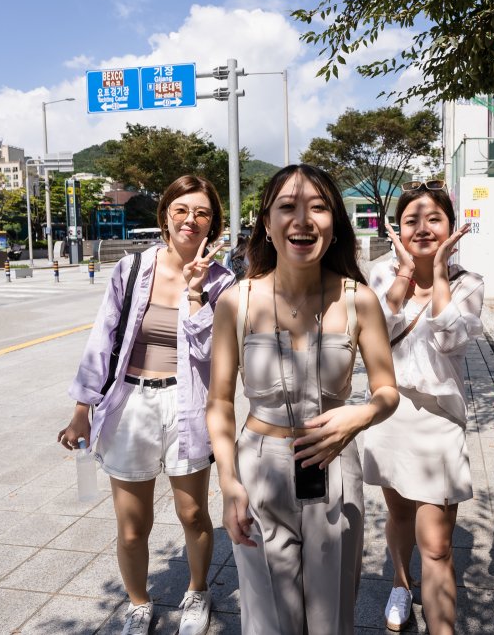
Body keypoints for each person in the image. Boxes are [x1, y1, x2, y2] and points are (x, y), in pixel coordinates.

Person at [206, 163, 399, 634]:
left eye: (318, 207)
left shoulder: (360, 299)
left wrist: (362, 415)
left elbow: (387, 391)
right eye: (287, 208)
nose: (303, 220)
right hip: (258, 467)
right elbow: (219, 403)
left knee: (332, 615)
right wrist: (229, 483)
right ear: (267, 224)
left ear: (334, 225)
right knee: (269, 616)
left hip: (333, 464)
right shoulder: (238, 300)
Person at [60, 175, 235, 635]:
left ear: (212, 223)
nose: (190, 220)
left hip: (187, 404)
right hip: (131, 403)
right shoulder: (133, 269)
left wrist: (196, 293)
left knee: (193, 512)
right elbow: (103, 337)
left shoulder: (224, 282)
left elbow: (212, 356)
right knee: (133, 524)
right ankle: (138, 602)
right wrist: (82, 408)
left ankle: (198, 592)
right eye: (181, 210)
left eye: (201, 213)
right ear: (166, 216)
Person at [363, 180, 484, 633]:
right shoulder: (377, 274)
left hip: (438, 420)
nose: (423, 227)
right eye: (412, 219)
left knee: (437, 543)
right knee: (397, 513)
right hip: (388, 413)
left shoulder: (468, 283)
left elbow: (449, 337)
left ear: (451, 227)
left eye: (434, 218)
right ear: (398, 228)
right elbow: (374, 328)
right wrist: (401, 274)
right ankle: (400, 583)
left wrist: (436, 276)